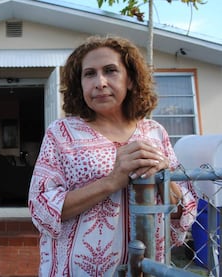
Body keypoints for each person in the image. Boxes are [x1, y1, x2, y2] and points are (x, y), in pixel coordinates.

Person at [28, 35, 197, 277]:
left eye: (110, 71)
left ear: (130, 79)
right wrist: (111, 181)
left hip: (147, 269)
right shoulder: (62, 133)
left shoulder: (155, 132)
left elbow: (184, 210)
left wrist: (163, 178)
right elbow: (41, 208)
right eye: (89, 74)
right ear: (80, 84)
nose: (100, 82)